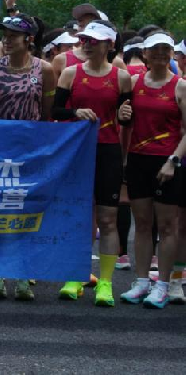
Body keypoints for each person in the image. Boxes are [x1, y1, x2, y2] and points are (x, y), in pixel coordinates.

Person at [51, 20, 132, 306]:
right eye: (84, 39)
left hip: (108, 151)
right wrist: (75, 112)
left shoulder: (122, 77)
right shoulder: (70, 73)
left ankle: (106, 283)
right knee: (79, 216)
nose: (86, 44)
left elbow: (127, 118)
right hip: (78, 151)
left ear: (109, 45)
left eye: (93, 41)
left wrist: (124, 118)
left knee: (108, 218)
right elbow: (56, 111)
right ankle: (76, 276)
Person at [0, 13, 56, 300]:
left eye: (14, 35)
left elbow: (47, 113)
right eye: (6, 35)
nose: (8, 40)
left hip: (32, 149)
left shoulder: (45, 70)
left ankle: (24, 274)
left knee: (27, 211)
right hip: (1, 147)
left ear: (29, 39)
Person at [119, 32, 186, 309]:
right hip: (138, 159)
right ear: (144, 54)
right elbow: (125, 121)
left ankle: (164, 285)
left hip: (167, 162)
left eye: (165, 49)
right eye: (154, 49)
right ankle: (141, 281)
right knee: (143, 223)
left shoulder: (180, 86)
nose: (160, 53)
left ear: (171, 54)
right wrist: (121, 117)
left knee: (168, 226)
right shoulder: (134, 82)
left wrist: (173, 161)